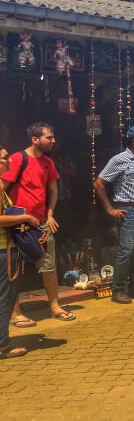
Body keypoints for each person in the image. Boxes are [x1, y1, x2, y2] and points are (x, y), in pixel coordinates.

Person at [0, 122, 74, 324]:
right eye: (48, 137)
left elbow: (53, 191)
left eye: (52, 137)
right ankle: (15, 314)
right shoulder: (17, 159)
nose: (53, 141)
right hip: (17, 225)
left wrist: (49, 215)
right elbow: (2, 186)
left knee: (48, 266)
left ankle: (54, 306)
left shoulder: (48, 163)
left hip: (41, 223)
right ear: (35, 139)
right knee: (14, 271)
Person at [94, 125, 134, 304]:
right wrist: (109, 209)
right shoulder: (119, 160)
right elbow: (99, 183)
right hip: (128, 210)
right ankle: (118, 290)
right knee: (126, 250)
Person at [0, 143, 41, 358]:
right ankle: (2, 345)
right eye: (5, 158)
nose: (9, 161)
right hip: (3, 251)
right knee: (5, 297)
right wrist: (25, 217)